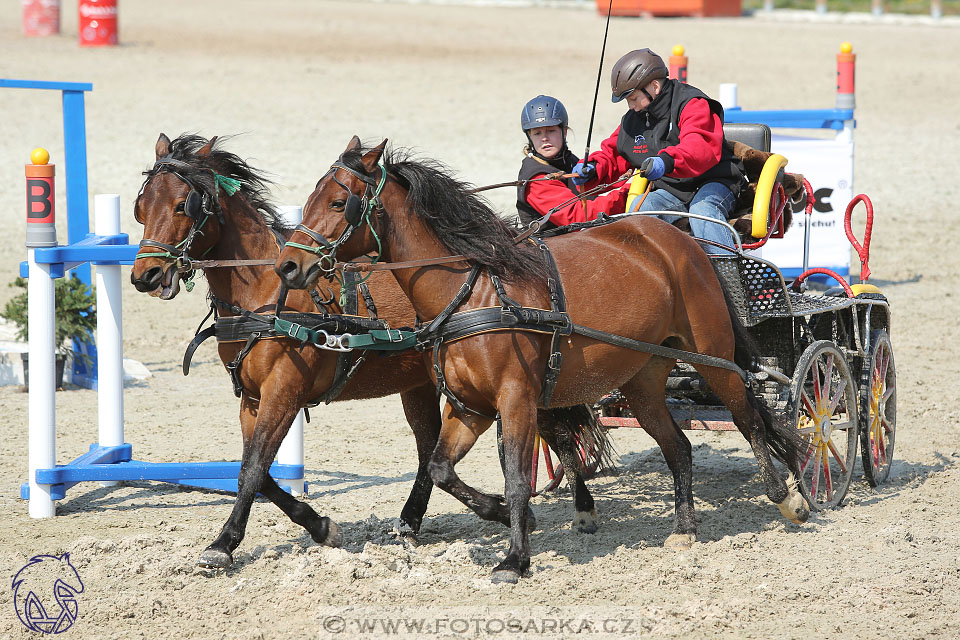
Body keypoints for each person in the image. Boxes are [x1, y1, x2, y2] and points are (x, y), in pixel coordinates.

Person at [571, 48, 747, 254]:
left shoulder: (692, 104)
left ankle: (731, 279)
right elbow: (615, 154)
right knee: (641, 206)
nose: (631, 106)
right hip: (673, 191)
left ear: (654, 86)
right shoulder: (634, 118)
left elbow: (698, 147)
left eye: (633, 98)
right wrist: (592, 168)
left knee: (703, 211)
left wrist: (667, 161)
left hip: (716, 182)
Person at [517, 95, 629, 230]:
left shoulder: (568, 161)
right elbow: (579, 217)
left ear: (564, 132)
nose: (545, 138)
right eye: (537, 133)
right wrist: (628, 195)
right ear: (529, 137)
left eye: (551, 131)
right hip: (551, 247)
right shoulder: (536, 178)